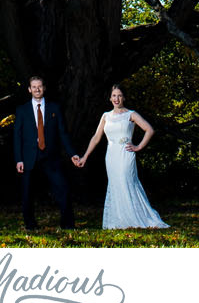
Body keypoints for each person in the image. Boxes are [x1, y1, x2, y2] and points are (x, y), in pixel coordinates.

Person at [73, 84, 167, 229]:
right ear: (110, 98)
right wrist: (85, 157)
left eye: (120, 95)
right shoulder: (105, 116)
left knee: (126, 181)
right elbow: (96, 137)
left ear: (124, 97)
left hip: (126, 154)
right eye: (114, 96)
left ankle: (135, 218)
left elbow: (149, 130)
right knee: (116, 184)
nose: (117, 99)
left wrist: (138, 146)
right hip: (111, 156)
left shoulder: (131, 114)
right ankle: (119, 220)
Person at [11, 75, 74, 231]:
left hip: (50, 156)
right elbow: (17, 136)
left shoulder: (55, 108)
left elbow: (63, 133)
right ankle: (30, 225)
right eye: (34, 87)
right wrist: (18, 159)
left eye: (39, 86)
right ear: (29, 89)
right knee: (27, 193)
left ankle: (67, 224)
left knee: (62, 188)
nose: (37, 89)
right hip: (28, 158)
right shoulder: (22, 110)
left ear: (44, 88)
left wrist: (72, 153)